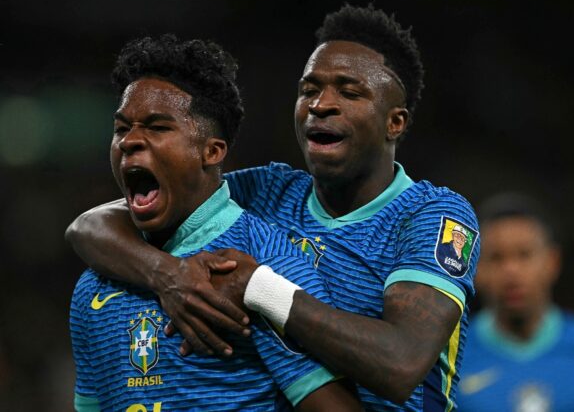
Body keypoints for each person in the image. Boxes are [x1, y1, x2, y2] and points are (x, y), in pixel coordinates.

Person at [67, 5, 480, 411]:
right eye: (309, 89)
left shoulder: (433, 216)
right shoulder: (267, 190)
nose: (321, 104)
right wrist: (169, 276)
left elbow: (400, 364)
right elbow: (90, 226)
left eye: (349, 92)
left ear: (396, 122)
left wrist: (260, 288)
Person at [69, 34, 362, 411]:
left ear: (211, 151)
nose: (130, 141)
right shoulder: (94, 282)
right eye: (122, 128)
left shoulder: (265, 262)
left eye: (157, 128)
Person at [456, 193, 574, 412]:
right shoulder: (452, 359)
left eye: (524, 255)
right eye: (496, 258)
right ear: (476, 270)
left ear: (552, 262)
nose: (511, 272)